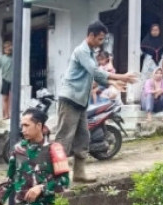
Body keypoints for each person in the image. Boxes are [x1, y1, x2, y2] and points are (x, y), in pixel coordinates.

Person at [56, 21, 136, 182]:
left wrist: (112, 83)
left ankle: (79, 174)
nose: (101, 42)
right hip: (70, 99)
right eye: (99, 39)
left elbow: (95, 75)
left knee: (83, 138)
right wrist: (121, 76)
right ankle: (56, 178)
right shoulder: (81, 51)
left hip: (81, 101)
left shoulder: (91, 53)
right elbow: (94, 70)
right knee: (64, 138)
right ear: (91, 35)